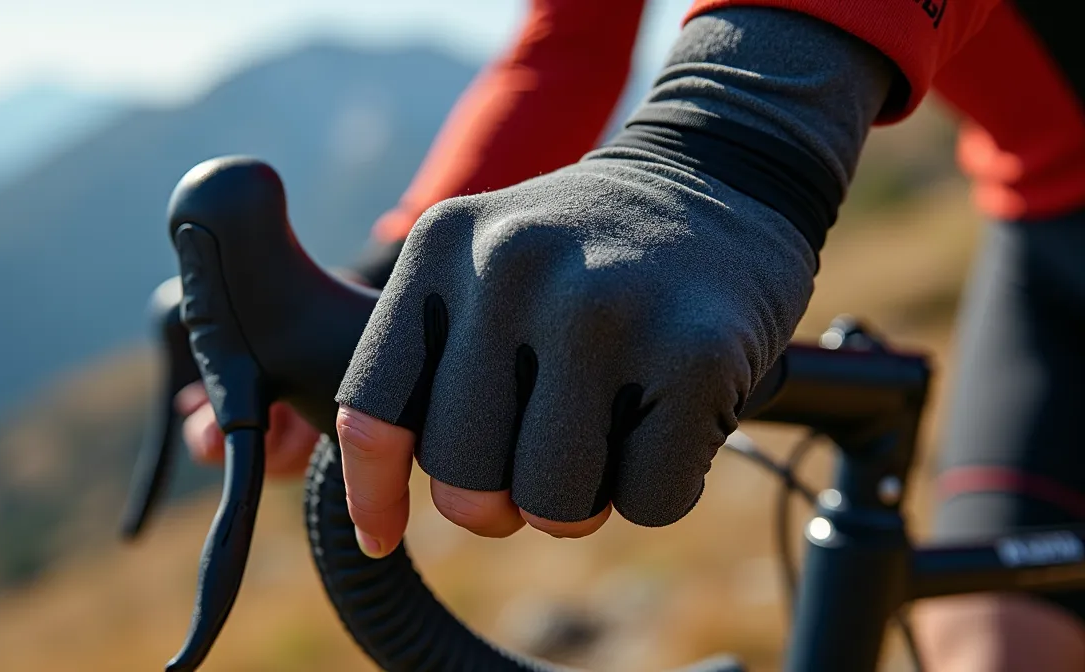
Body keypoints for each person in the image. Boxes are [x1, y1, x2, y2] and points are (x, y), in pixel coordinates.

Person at [175, 1, 1085, 669]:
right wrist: (398, 292)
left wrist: (742, 124)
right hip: (1049, 220)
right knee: (995, 652)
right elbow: (571, 44)